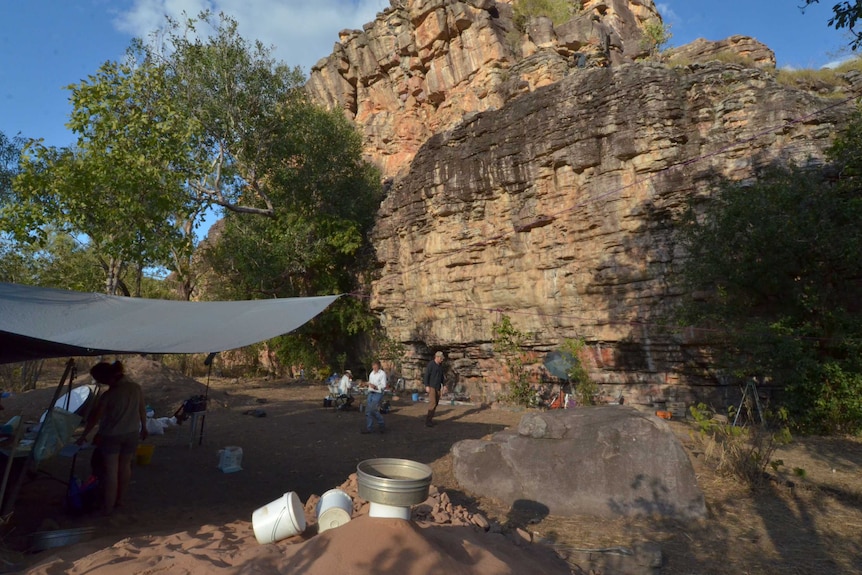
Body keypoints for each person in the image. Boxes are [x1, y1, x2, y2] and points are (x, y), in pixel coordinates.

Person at [77, 360, 147, 515]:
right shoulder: (136, 388)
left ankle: (108, 507)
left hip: (112, 435)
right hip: (132, 433)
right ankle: (120, 500)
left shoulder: (108, 395)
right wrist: (145, 427)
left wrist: (84, 435)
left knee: (111, 471)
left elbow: (95, 418)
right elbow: (142, 409)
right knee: (125, 466)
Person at [423, 351, 447, 427]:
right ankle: (428, 421)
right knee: (432, 403)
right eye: (441, 358)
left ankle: (431, 419)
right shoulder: (431, 365)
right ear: (437, 357)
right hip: (432, 387)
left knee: (436, 403)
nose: (442, 360)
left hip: (438, 387)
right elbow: (426, 375)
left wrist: (444, 385)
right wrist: (427, 385)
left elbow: (442, 377)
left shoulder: (440, 366)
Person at [361, 361, 387, 434]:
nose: (374, 367)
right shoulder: (371, 373)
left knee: (373, 410)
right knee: (368, 411)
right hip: (371, 392)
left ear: (379, 366)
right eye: (373, 366)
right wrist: (366, 384)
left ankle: (382, 425)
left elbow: (383, 386)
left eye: (376, 366)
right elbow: (370, 383)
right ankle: (369, 428)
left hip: (377, 393)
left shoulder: (382, 374)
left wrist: (375, 387)